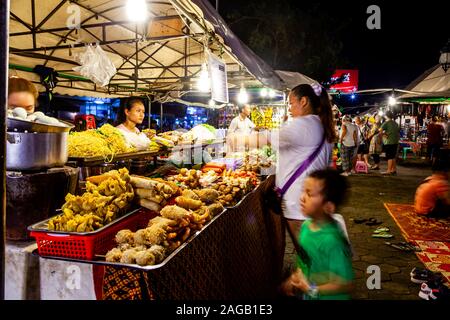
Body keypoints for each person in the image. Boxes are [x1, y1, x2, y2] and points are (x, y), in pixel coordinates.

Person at [274, 83, 336, 244]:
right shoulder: (322, 125)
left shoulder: (302, 124)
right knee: (313, 250)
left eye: (291, 103)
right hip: (316, 198)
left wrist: (237, 138)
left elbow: (264, 139)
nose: (289, 107)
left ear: (303, 101)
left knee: (307, 253)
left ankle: (309, 270)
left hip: (299, 202)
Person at [281, 169, 354, 300]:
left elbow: (345, 283)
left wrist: (311, 289)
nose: (302, 197)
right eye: (303, 190)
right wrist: (297, 278)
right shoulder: (306, 226)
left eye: (309, 194)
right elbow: (305, 260)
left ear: (328, 207)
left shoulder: (331, 240)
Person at [379, 111, 400, 175]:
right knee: (393, 156)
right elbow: (398, 132)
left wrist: (384, 134)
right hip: (395, 141)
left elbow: (380, 130)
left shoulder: (386, 123)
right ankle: (393, 170)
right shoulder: (395, 123)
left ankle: (388, 170)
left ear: (386, 116)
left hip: (389, 142)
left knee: (389, 157)